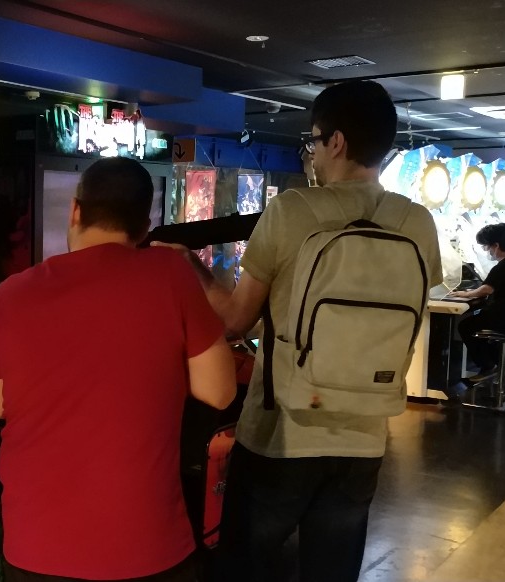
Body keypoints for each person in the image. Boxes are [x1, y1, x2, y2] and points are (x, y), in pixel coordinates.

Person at [159, 80, 443, 582]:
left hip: (282, 436)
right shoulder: (417, 223)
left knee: (245, 568)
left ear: (336, 142)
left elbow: (235, 321)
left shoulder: (292, 211)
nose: (312, 153)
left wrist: (191, 267)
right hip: (364, 437)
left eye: (312, 140)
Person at [0, 157, 237, 582]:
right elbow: (219, 391)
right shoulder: (171, 274)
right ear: (145, 226)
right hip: (146, 548)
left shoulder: (7, 296)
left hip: (36, 548)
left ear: (75, 210)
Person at [449, 223, 505, 380]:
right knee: (475, 322)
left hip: (503, 320)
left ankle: (488, 365)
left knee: (465, 326)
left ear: (496, 246)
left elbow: (486, 289)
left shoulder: (503, 266)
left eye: (486, 246)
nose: (487, 250)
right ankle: (496, 361)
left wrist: (466, 294)